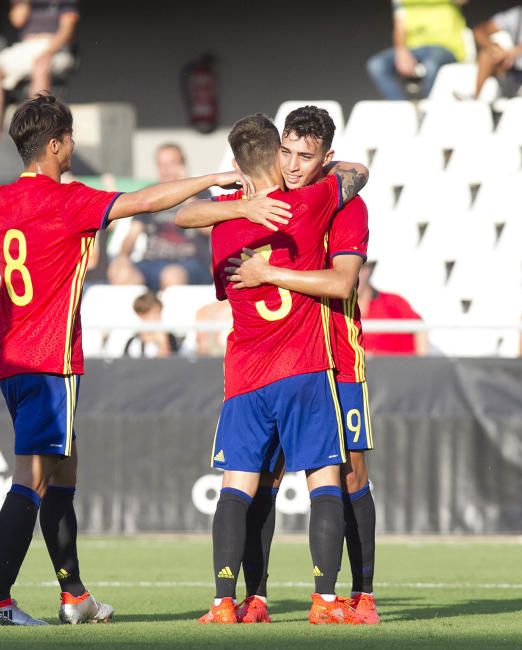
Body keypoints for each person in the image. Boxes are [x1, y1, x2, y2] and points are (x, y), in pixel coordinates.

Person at [0, 94, 254, 626]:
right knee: (32, 477)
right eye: (69, 138)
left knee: (64, 469)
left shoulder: (0, 201)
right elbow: (148, 201)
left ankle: (74, 595)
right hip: (49, 360)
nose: (72, 146)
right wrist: (213, 178)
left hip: (11, 358)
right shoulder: (66, 201)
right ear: (53, 145)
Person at [178, 106, 379, 626]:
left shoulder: (329, 210)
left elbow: (341, 284)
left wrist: (263, 260)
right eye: (285, 153)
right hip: (300, 361)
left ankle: (360, 594)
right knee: (292, 480)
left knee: (339, 476)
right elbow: (357, 173)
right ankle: (279, 597)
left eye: (305, 156)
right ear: (275, 151)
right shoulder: (290, 205)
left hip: (304, 358)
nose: (293, 165)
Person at [108, 144, 211, 291]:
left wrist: (187, 193)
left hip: (191, 263)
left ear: (183, 166)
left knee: (171, 275)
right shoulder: (150, 195)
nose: (166, 170)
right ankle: (145, 312)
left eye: (171, 164)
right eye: (161, 165)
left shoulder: (201, 194)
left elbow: (210, 230)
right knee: (119, 273)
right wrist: (123, 257)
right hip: (152, 262)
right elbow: (132, 234)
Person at [0, 0, 78, 133]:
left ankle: (35, 128)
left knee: (40, 67)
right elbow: (17, 20)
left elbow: (66, 32)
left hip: (55, 47)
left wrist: (47, 53)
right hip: (27, 46)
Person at [366, 0, 467, 100]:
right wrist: (401, 52)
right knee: (377, 65)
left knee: (431, 64)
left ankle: (428, 107)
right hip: (415, 49)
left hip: (446, 47)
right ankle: (404, 109)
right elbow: (399, 25)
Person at [359, 265, 429, 356]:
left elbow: (420, 328)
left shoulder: (392, 301)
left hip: (400, 367)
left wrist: (421, 363)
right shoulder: (338, 309)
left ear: (366, 271)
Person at [124, 291, 181, 358]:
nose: (158, 318)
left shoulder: (170, 338)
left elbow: (170, 364)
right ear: (141, 315)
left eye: (159, 313)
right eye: (154, 313)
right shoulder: (133, 341)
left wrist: (163, 343)